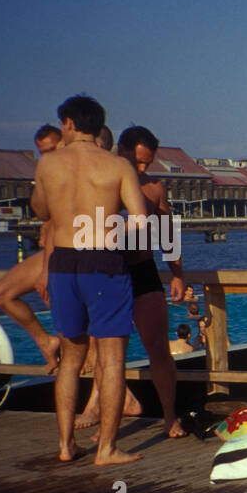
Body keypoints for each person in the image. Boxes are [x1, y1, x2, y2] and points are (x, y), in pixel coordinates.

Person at [32, 94, 148, 465]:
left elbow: (41, 210)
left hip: (64, 262)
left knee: (70, 357)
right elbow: (141, 222)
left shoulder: (48, 164)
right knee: (111, 360)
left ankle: (66, 446)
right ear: (98, 127)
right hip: (103, 260)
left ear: (67, 123)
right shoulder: (116, 166)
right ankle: (107, 449)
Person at [77, 125, 187, 438]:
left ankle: (169, 416)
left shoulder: (154, 188)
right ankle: (108, 422)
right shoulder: (100, 182)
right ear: (120, 150)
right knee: (111, 353)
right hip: (110, 274)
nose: (142, 168)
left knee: (158, 349)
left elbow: (167, 233)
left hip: (143, 271)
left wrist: (177, 273)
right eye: (137, 161)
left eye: (147, 163)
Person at [0, 125, 64, 370]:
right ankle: (45, 341)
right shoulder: (46, 176)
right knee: (1, 294)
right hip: (52, 252)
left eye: (53, 149)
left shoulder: (75, 171)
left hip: (72, 253)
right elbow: (45, 217)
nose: (48, 157)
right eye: (43, 153)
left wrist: (46, 270)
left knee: (74, 328)